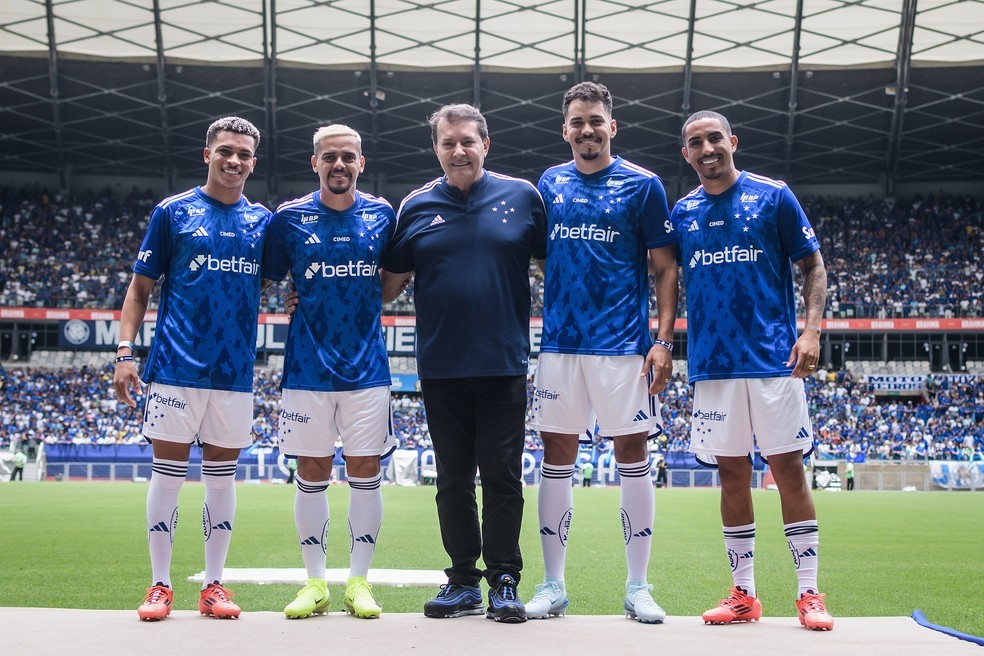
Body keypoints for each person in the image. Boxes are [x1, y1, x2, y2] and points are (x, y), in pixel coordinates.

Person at [381, 103, 547, 623]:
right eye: (448, 143)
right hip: (441, 367)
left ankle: (503, 580)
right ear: (436, 149)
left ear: (485, 144)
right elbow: (384, 287)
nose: (458, 150)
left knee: (501, 477)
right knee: (452, 479)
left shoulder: (524, 197)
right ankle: (461, 580)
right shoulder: (415, 205)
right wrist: (311, 297)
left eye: (467, 141)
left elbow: (558, 265)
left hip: (502, 364)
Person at [671, 110, 834, 631]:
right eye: (696, 142)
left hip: (772, 363)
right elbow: (665, 275)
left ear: (733, 141)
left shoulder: (773, 195)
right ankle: (744, 594)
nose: (707, 148)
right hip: (713, 366)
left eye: (715, 138)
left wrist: (810, 331)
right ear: (687, 154)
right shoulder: (683, 212)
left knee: (787, 470)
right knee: (732, 476)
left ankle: (809, 593)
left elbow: (813, 264)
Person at [524, 81, 678, 624]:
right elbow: (546, 256)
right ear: (565, 129)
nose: (586, 130)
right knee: (555, 461)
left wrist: (662, 340)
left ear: (611, 127)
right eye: (577, 122)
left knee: (633, 460)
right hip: (562, 345)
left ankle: (638, 586)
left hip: (623, 348)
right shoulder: (550, 182)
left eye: (595, 121)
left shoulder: (644, 185)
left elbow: (665, 267)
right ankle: (552, 585)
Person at [114, 116, 271, 622]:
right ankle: (159, 584)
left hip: (233, 374)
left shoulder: (263, 222)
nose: (235, 161)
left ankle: (214, 587)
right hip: (175, 368)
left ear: (253, 161)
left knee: (222, 481)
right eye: (226, 150)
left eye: (244, 154)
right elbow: (139, 290)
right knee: (167, 477)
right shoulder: (173, 212)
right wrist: (123, 352)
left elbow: (281, 282)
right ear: (208, 154)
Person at [262, 124, 395, 620]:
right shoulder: (289, 219)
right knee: (311, 472)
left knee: (366, 473)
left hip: (367, 371)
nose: (339, 165)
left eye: (348, 157)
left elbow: (392, 278)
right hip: (306, 370)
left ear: (362, 162)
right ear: (314, 162)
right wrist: (285, 296)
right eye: (329, 157)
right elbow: (269, 275)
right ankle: (315, 582)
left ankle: (358, 581)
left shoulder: (383, 215)